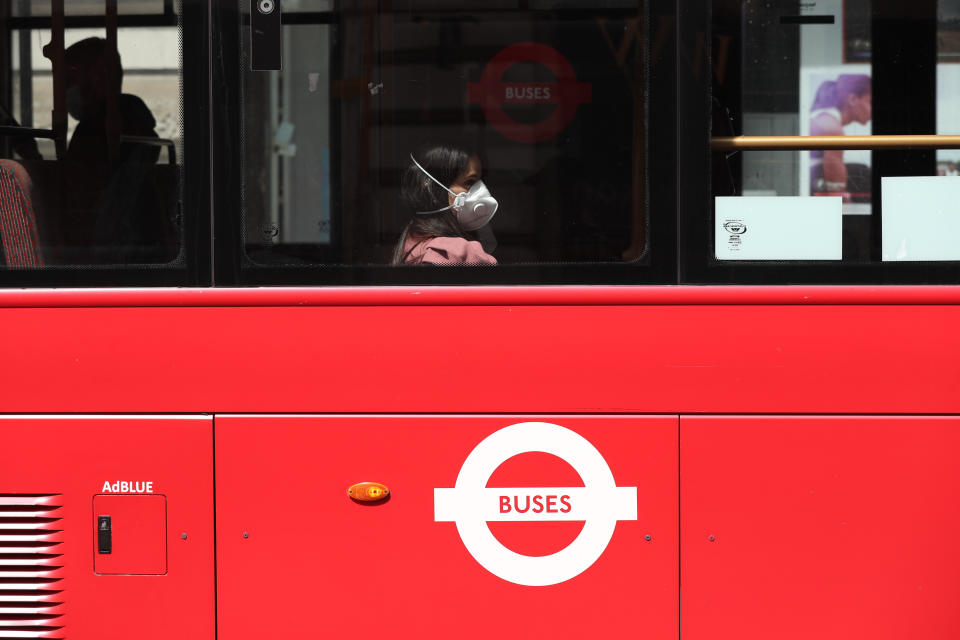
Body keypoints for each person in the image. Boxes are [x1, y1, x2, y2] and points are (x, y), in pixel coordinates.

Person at [391, 144, 498, 265]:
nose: (481, 190)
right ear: (433, 188)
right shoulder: (456, 253)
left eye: (481, 180)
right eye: (469, 182)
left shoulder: (411, 240)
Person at [809, 74, 872, 200]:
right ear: (853, 99)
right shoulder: (832, 128)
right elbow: (837, 197)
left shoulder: (826, 119)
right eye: (870, 102)